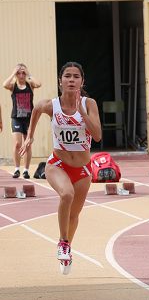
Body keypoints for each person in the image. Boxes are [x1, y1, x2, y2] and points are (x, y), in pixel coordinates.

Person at [20, 62, 102, 274]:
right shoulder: (52, 105)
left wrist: (82, 113)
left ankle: (66, 246)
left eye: (76, 76)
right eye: (67, 76)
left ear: (82, 82)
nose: (72, 80)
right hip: (58, 165)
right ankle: (63, 244)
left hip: (83, 169)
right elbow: (37, 108)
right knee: (67, 194)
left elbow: (98, 135)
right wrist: (30, 136)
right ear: (60, 81)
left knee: (74, 216)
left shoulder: (89, 103)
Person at [3, 63, 41, 179]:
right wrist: (13, 73)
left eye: (23, 73)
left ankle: (26, 170)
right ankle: (17, 169)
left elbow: (39, 84)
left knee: (28, 145)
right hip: (16, 118)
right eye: (19, 73)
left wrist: (29, 73)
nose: (21, 75)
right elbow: (4, 84)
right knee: (17, 144)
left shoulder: (30, 85)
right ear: (16, 74)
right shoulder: (13, 86)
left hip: (29, 119)